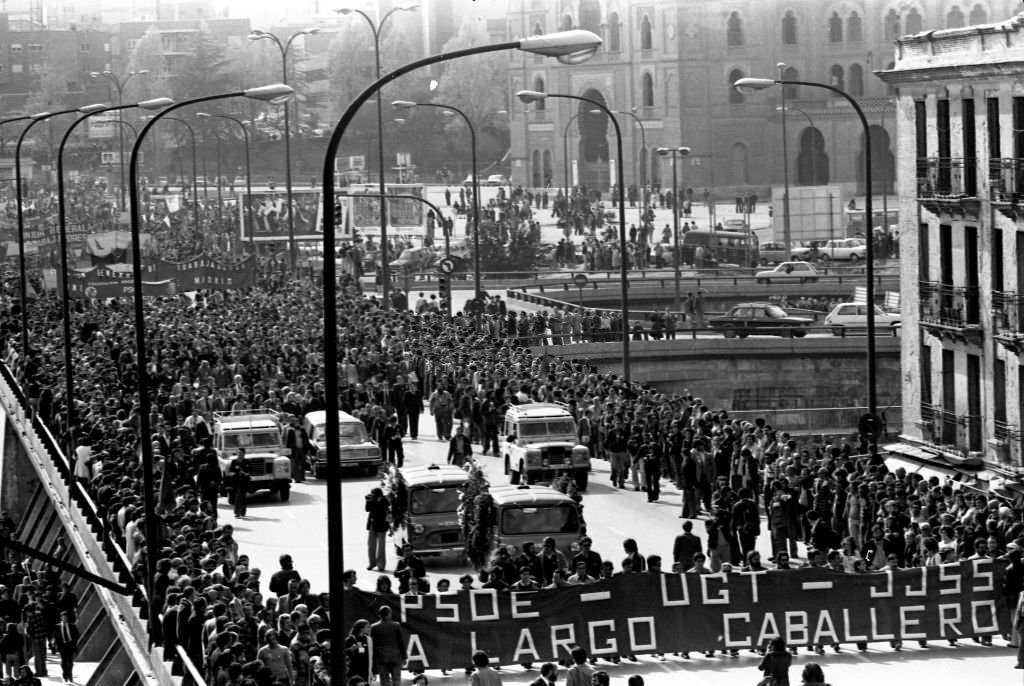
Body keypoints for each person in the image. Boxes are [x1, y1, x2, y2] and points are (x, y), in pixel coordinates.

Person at [369, 605, 405, 686]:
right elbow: (401, 642)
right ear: (389, 614)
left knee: (384, 681)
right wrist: (404, 656)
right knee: (396, 680)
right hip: (395, 656)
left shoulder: (374, 627)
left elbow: (373, 645)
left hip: (381, 657)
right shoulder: (396, 625)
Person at [365, 488, 390, 572]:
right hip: (373, 524)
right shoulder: (373, 500)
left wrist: (374, 501)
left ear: (378, 495)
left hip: (381, 525)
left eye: (373, 494)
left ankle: (381, 565)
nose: (372, 496)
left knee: (381, 547)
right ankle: (372, 563)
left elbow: (380, 510)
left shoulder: (384, 501)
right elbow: (367, 509)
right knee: (371, 545)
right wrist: (368, 501)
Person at [54, 610, 79, 683]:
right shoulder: (57, 627)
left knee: (70, 661)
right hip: (62, 646)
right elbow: (56, 637)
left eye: (66, 617)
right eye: (63, 617)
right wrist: (56, 645)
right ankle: (65, 674)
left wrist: (73, 642)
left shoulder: (72, 626)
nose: (64, 619)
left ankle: (70, 674)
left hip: (70, 646)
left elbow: (77, 635)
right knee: (64, 661)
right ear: (61, 618)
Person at [229, 450, 251, 518]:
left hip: (244, 481)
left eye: (241, 453)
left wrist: (245, 473)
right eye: (238, 453)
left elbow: (250, 471)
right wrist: (236, 474)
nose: (239, 454)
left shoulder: (247, 462)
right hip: (236, 481)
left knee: (243, 497)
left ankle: (243, 512)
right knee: (237, 497)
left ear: (244, 454)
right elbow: (231, 472)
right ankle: (237, 512)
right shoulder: (234, 462)